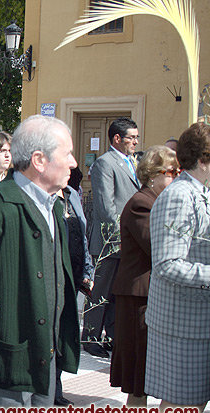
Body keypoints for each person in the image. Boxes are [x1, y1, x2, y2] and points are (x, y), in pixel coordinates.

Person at [0, 115, 80, 413]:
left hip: (45, 351)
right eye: (67, 154)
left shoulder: (54, 205)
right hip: (8, 357)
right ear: (39, 160)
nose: (74, 162)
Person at [144, 123, 210, 413]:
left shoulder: (200, 192)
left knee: (193, 404)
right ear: (204, 159)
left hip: (198, 323)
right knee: (179, 407)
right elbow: (168, 264)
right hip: (182, 324)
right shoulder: (180, 196)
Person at [109, 146, 178, 413]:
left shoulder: (156, 201)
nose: (176, 177)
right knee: (140, 359)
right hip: (140, 294)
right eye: (171, 173)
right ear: (153, 175)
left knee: (145, 361)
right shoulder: (142, 202)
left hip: (150, 293)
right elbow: (158, 246)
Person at [83, 117, 141, 359]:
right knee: (101, 292)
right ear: (117, 138)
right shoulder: (105, 163)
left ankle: (110, 334)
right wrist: (123, 236)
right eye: (132, 137)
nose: (136, 142)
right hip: (110, 241)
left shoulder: (130, 162)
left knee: (117, 293)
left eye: (137, 137)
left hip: (126, 241)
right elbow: (107, 208)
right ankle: (90, 336)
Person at [54, 181, 95, 407]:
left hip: (74, 273)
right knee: (53, 332)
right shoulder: (48, 196)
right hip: (55, 274)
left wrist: (87, 270)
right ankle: (49, 389)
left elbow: (83, 233)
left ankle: (56, 389)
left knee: (64, 332)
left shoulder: (73, 195)